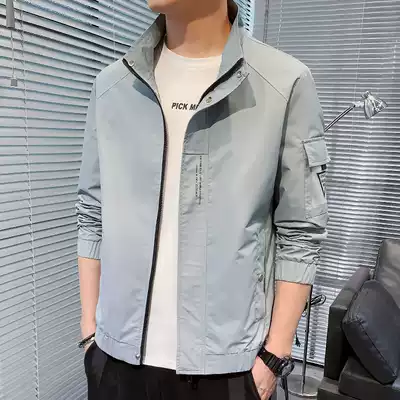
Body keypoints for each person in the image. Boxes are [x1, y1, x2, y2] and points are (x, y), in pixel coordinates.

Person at [76, 0, 329, 399]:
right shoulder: (112, 87)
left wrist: (274, 355)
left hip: (228, 372)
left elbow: (300, 230)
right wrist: (90, 332)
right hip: (116, 361)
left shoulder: (283, 84)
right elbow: (93, 214)